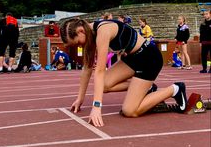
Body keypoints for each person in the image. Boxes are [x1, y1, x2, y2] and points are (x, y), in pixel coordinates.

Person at [60, 18, 188, 127]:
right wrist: (80, 98)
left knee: (130, 111)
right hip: (132, 59)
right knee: (103, 85)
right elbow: (87, 68)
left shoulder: (102, 31)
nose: (79, 47)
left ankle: (175, 89)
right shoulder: (89, 35)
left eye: (77, 43)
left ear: (80, 31)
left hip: (149, 58)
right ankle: (147, 88)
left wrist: (97, 107)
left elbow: (99, 71)